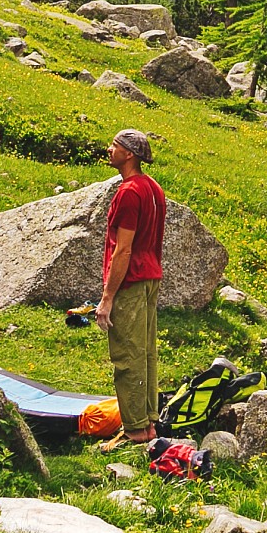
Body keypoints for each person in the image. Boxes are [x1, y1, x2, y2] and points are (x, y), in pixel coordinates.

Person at [95, 127, 165, 449]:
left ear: (130, 154)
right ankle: (149, 423)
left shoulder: (128, 192)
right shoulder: (153, 188)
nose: (110, 150)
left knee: (127, 355)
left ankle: (135, 430)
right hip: (151, 277)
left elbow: (123, 249)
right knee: (147, 351)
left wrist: (107, 298)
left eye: (116, 145)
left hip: (132, 281)